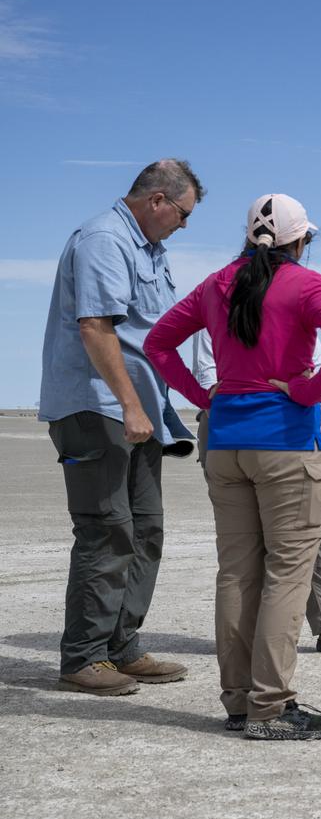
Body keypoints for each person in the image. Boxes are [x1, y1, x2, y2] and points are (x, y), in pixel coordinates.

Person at [145, 193, 321, 741]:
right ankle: (270, 708)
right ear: (300, 241)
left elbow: (158, 343)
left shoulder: (217, 283)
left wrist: (204, 394)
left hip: (225, 444)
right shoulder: (305, 284)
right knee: (287, 576)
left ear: (248, 237)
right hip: (284, 444)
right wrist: (310, 394)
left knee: (236, 573)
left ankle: (240, 702)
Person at [39, 159, 204, 696]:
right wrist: (130, 404)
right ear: (158, 200)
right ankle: (83, 656)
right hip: (98, 410)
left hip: (141, 414)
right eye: (182, 214)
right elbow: (95, 326)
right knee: (105, 529)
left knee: (146, 530)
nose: (183, 226)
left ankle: (120, 646)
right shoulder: (104, 239)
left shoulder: (150, 250)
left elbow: (152, 334)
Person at [191, 329, 321, 653]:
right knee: (246, 544)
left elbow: (317, 366)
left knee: (314, 531)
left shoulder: (295, 303)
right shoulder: (218, 302)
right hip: (239, 431)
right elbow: (206, 375)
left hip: (285, 428)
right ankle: (245, 643)